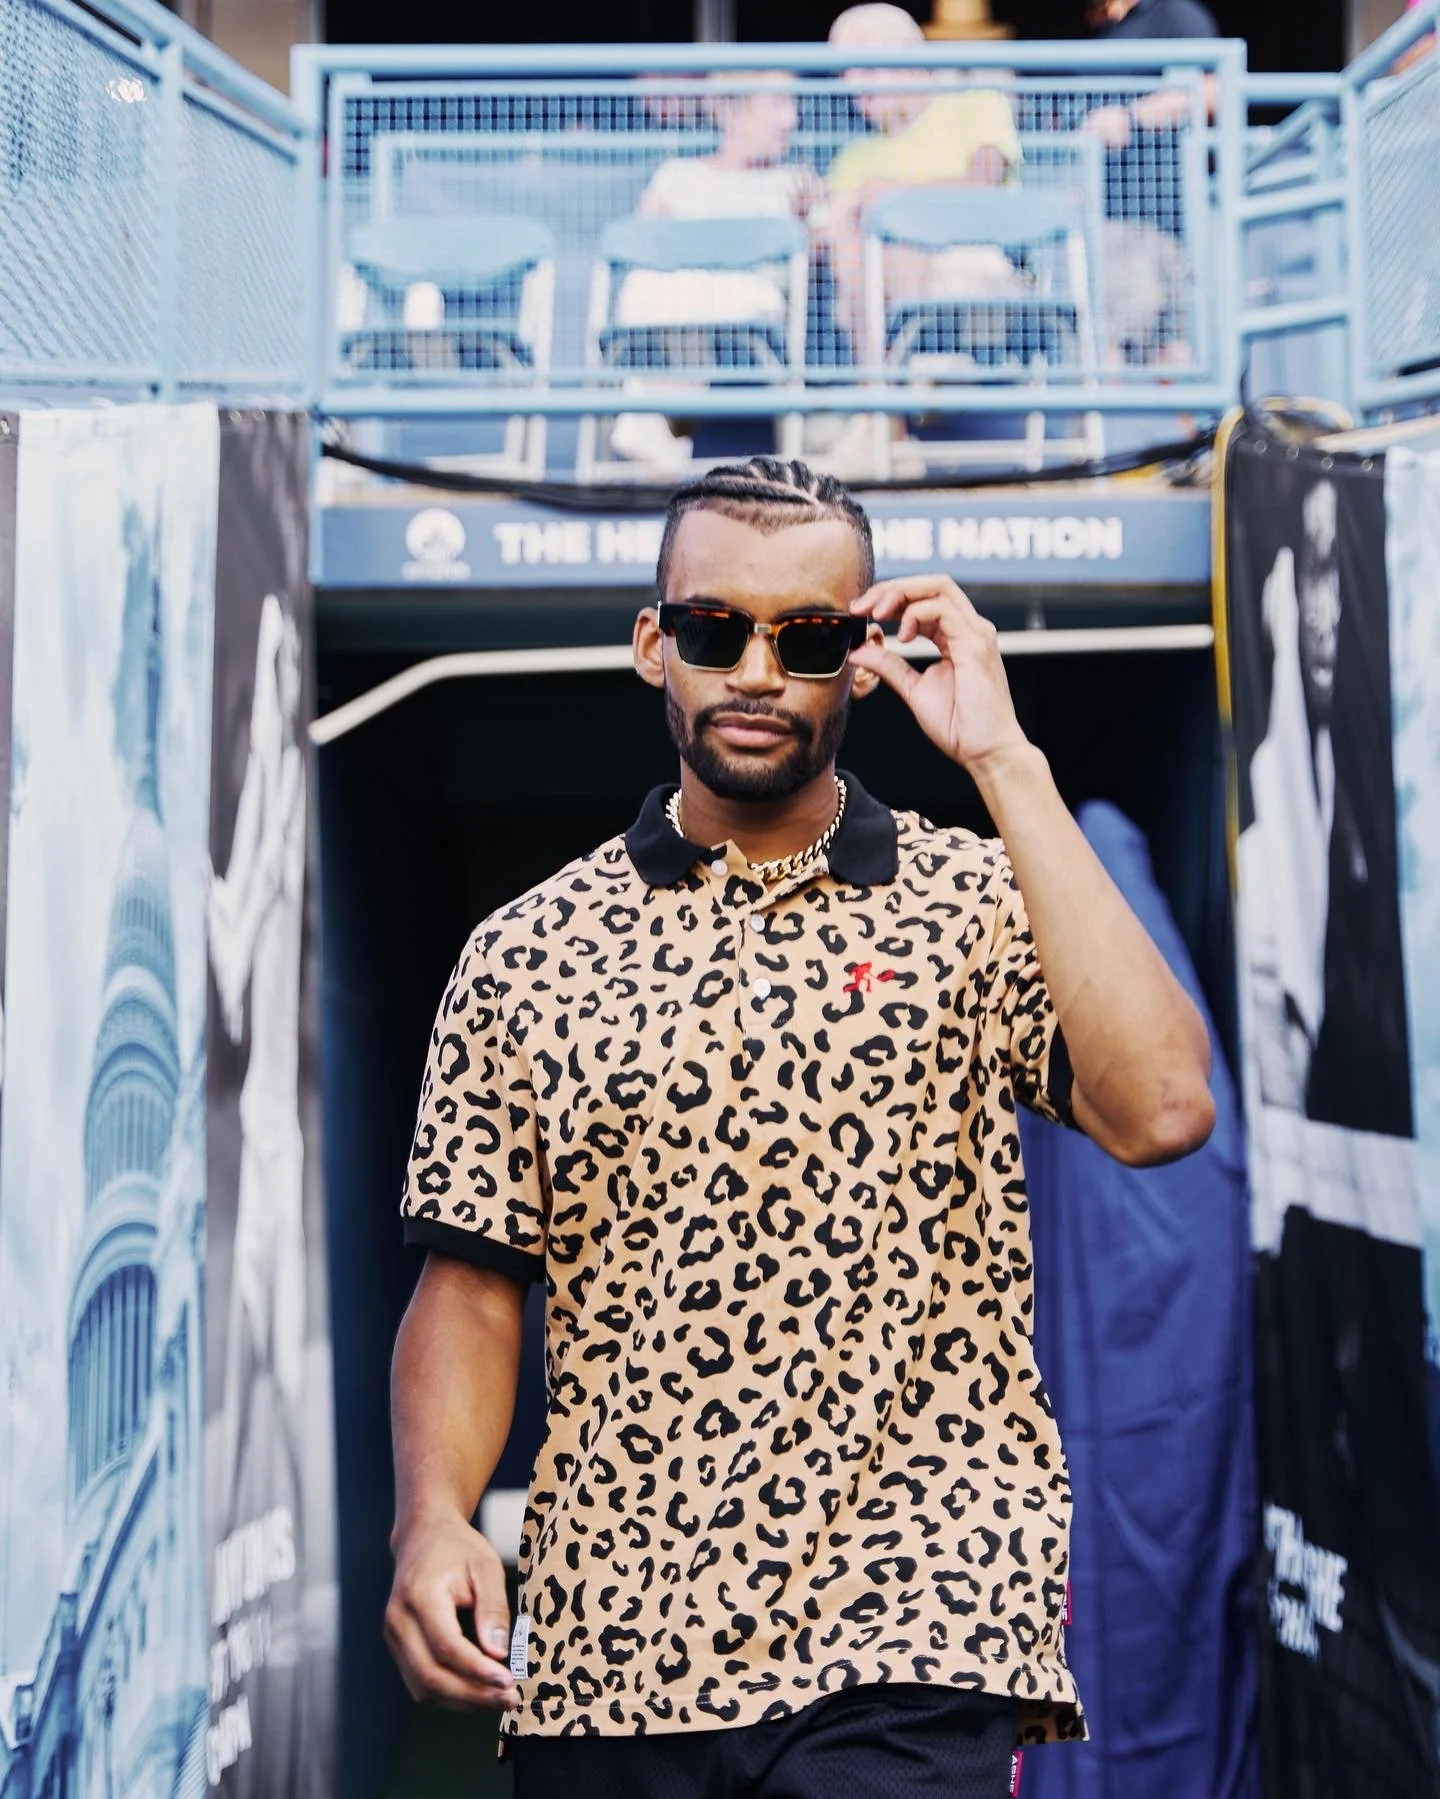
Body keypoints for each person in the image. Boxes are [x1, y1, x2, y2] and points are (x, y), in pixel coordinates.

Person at [386, 459, 1215, 1799]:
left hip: (916, 1620)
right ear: (654, 642)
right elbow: (474, 1279)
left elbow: (1165, 1110)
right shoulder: (526, 953)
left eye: (810, 635)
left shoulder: (975, 896)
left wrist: (1004, 756)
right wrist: (432, 1519)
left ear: (864, 657)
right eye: (717, 628)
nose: (760, 668)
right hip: (616, 1648)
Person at [610, 73, 822, 471]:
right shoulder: (676, 175)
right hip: (681, 291)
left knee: (687, 293)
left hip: (753, 299)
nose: (789, 120)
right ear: (733, 113)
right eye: (777, 104)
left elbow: (814, 267)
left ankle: (657, 424)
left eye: (792, 105)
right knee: (646, 288)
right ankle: (661, 418)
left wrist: (808, 224)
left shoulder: (797, 181)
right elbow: (645, 246)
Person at [822, 3, 1022, 362]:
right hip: (874, 278)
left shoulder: (978, 103)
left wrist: (897, 196)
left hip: (972, 262)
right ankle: (885, 386)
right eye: (846, 73)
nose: (855, 85)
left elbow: (984, 185)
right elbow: (832, 237)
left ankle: (891, 384)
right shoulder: (852, 157)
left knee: (899, 239)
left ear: (910, 60)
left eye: (867, 69)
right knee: (864, 243)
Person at [1084, 0, 1219, 366]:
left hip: (1156, 216)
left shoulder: (1174, 13)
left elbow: (1210, 90)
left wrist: (1131, 116)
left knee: (1149, 348)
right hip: (1109, 217)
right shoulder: (1110, 24)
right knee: (1114, 343)